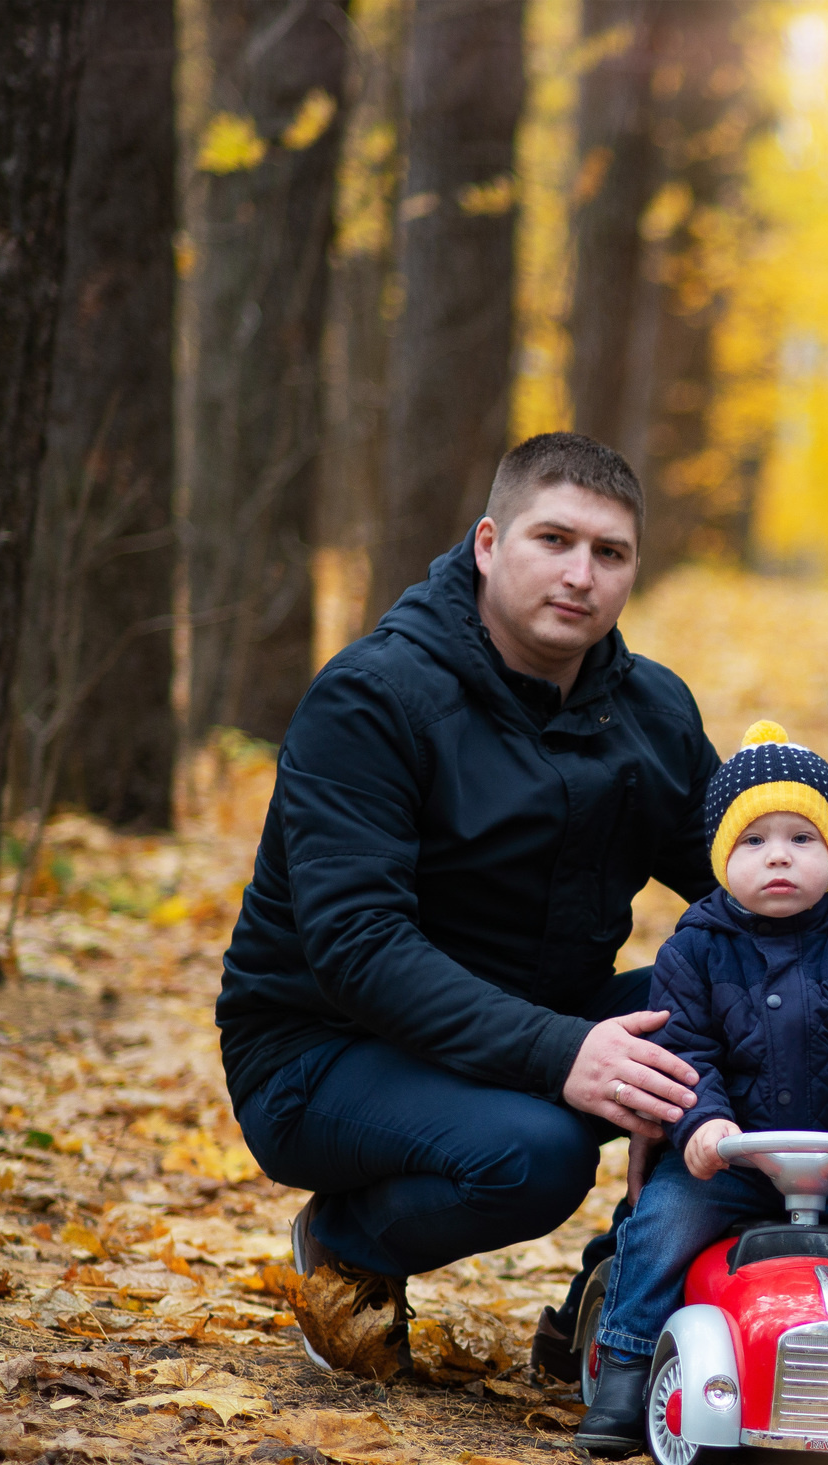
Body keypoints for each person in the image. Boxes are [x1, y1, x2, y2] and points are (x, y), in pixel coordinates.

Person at [220, 433, 714, 1380]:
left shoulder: (651, 711)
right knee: (537, 1155)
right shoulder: (372, 698)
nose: (580, 575)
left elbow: (750, 883)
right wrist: (561, 1052)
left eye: (609, 553)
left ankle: (622, 1295)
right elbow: (359, 947)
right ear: (489, 544)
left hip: (533, 1023)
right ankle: (345, 1244)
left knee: (758, 1006)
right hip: (322, 1052)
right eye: (553, 540)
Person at [576, 720, 828, 1454]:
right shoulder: (693, 949)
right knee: (662, 1223)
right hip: (730, 1159)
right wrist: (703, 1124)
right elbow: (687, 1050)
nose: (779, 855)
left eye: (802, 838)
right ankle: (625, 1361)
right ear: (722, 857)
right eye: (754, 841)